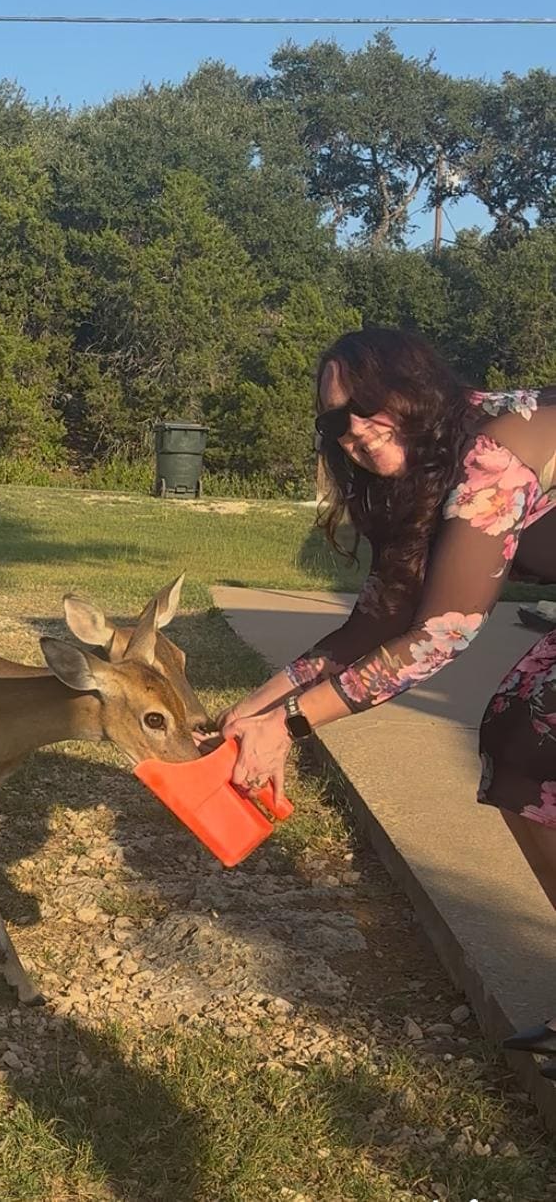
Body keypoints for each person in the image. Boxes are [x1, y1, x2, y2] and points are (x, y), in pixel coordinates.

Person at [220, 328, 556, 1070]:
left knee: (532, 734)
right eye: (335, 421)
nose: (353, 430)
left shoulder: (491, 453)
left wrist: (292, 724)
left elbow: (440, 634)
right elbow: (377, 621)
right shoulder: (421, 475)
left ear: (413, 390)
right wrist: (262, 704)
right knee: (520, 751)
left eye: (367, 405)